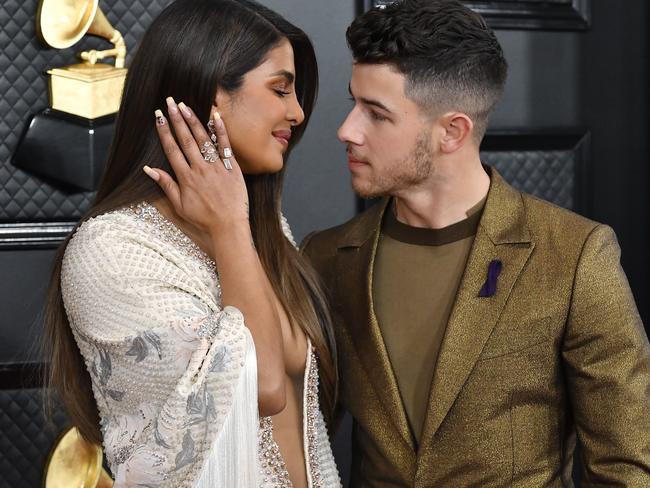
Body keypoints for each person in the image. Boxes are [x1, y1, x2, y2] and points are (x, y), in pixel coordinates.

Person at [301, 0, 650, 486]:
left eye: (376, 114)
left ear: (452, 131)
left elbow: (627, 465)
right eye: (352, 104)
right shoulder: (326, 256)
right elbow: (292, 434)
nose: (346, 130)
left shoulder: (573, 255)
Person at [44, 0, 341, 486]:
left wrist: (234, 225)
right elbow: (262, 388)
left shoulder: (265, 229)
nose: (298, 111)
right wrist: (228, 227)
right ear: (209, 98)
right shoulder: (111, 252)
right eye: (281, 89)